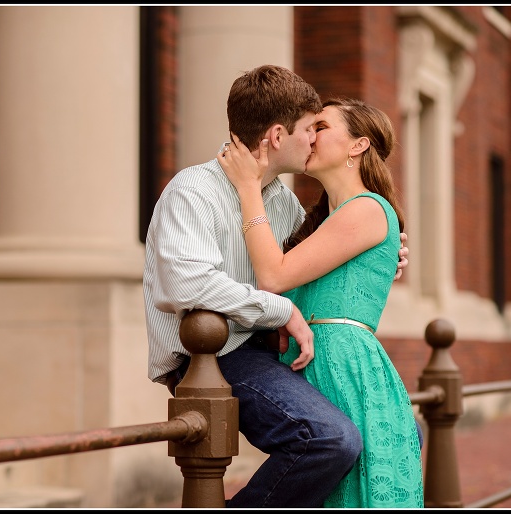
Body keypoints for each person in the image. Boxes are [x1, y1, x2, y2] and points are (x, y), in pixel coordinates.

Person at [144, 65, 408, 508]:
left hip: (267, 350)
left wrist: (380, 256)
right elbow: (188, 284)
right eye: (311, 128)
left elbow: (304, 266)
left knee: (398, 433)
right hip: (214, 355)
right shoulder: (193, 190)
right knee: (328, 439)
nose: (314, 139)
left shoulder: (284, 204)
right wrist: (280, 311)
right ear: (278, 135)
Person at [217, 95, 424, 508]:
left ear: (358, 145)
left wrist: (247, 187)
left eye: (322, 127)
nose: (310, 137)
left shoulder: (366, 208)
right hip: (316, 360)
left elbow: (272, 276)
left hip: (345, 361)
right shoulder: (322, 221)